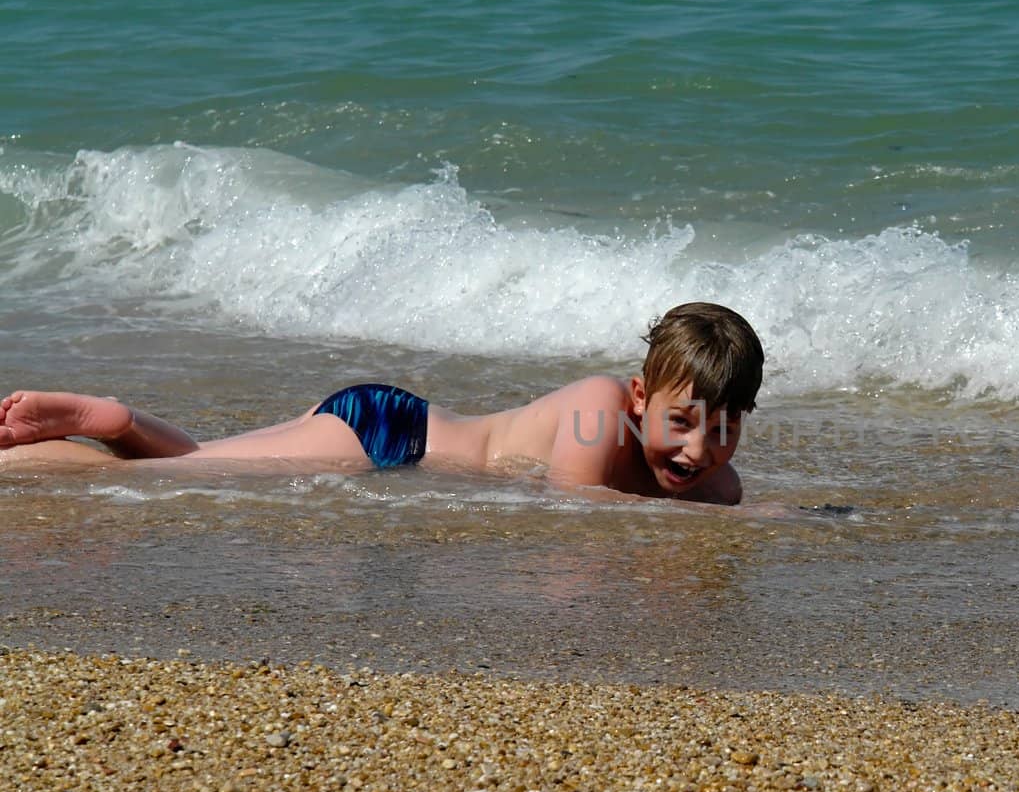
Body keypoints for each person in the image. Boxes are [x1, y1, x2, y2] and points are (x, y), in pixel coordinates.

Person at [0, 302, 762, 506]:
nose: (698, 449)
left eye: (723, 432)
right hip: (391, 437)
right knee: (167, 479)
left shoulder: (709, 476)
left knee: (202, 463)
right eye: (681, 422)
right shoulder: (600, 408)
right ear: (640, 397)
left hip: (394, 456)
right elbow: (580, 510)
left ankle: (122, 423)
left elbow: (710, 492)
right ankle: (66, 439)